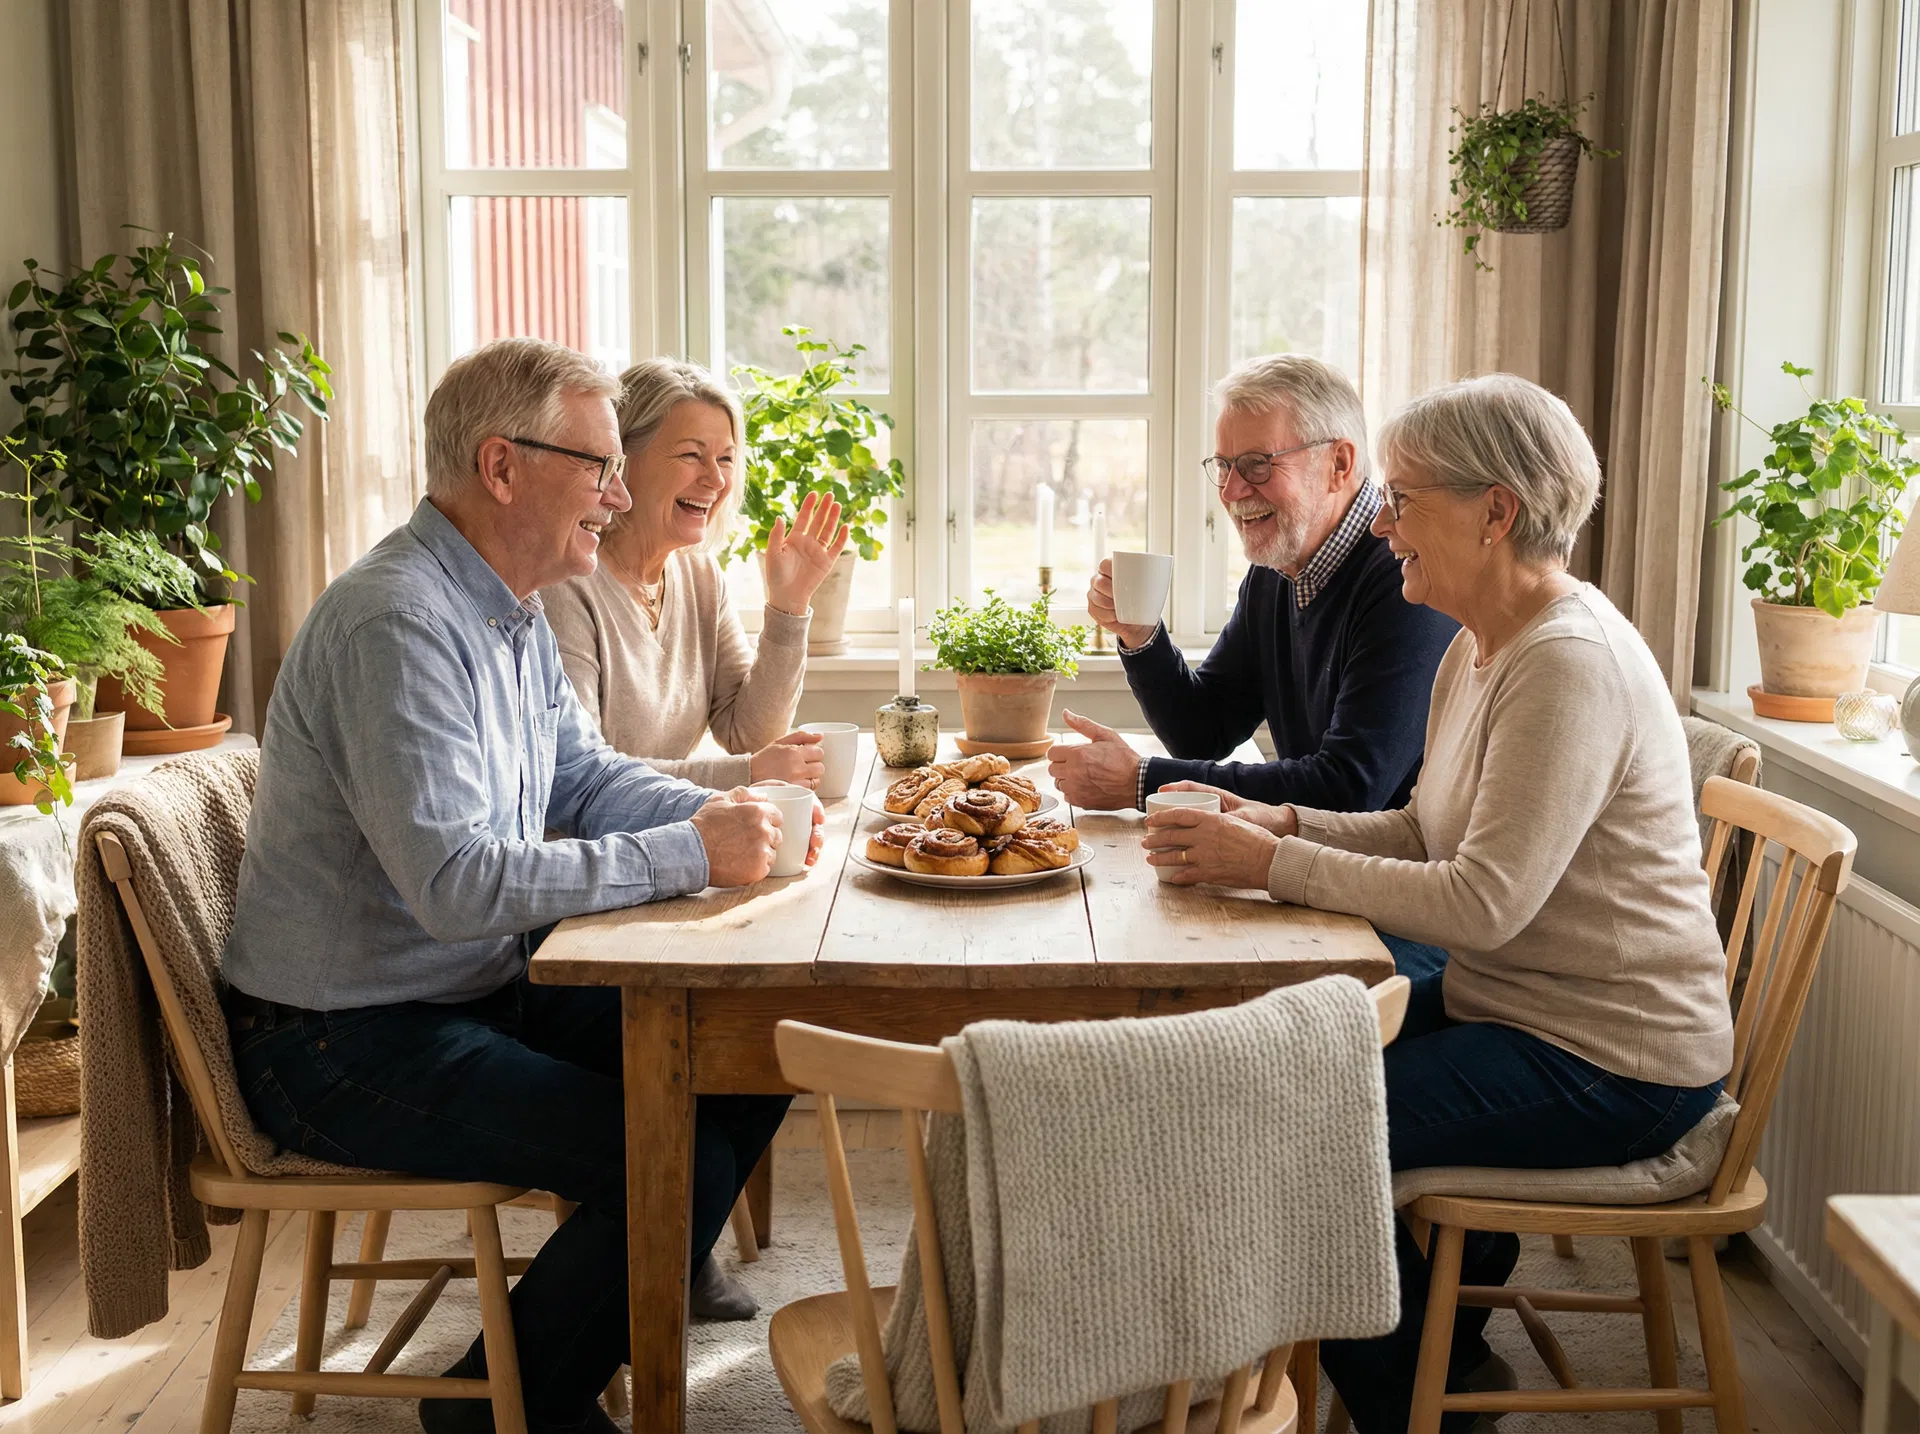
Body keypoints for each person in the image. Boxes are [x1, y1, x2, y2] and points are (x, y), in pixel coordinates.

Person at [222, 339, 805, 1434]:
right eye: (598, 467)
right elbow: (455, 882)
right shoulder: (398, 622)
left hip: (457, 991)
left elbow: (581, 775)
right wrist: (691, 853)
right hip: (336, 1041)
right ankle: (504, 1407)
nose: (621, 494)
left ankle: (522, 1373)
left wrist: (719, 820)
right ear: (501, 467)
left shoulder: (507, 603)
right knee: (668, 1154)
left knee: (752, 1038)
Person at [1140, 374, 1733, 1434]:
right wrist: (1276, 827)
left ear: (1496, 511)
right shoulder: (1482, 638)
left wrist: (1272, 864)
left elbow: (1483, 902)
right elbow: (1421, 830)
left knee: (1305, 1137)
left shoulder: (1567, 664)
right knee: (1283, 1078)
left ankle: (1430, 1410)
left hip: (1617, 1061)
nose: (1385, 521)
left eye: (1404, 499)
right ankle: (1422, 1361)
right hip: (1521, 1014)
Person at [1047, 353, 1457, 819]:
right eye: (1224, 466)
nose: (1230, 491)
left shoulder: (1406, 577)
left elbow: (1348, 788)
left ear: (1339, 464)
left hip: (1387, 880)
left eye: (1257, 464)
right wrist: (1142, 636)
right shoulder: (1278, 566)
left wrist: (1142, 781)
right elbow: (1205, 732)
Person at [542, 357, 850, 793]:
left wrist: (789, 605)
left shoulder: (700, 576)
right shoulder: (566, 586)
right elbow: (582, 780)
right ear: (623, 459)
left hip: (674, 832)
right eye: (691, 455)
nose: (716, 479)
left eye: (726, 458)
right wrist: (746, 775)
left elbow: (748, 735)